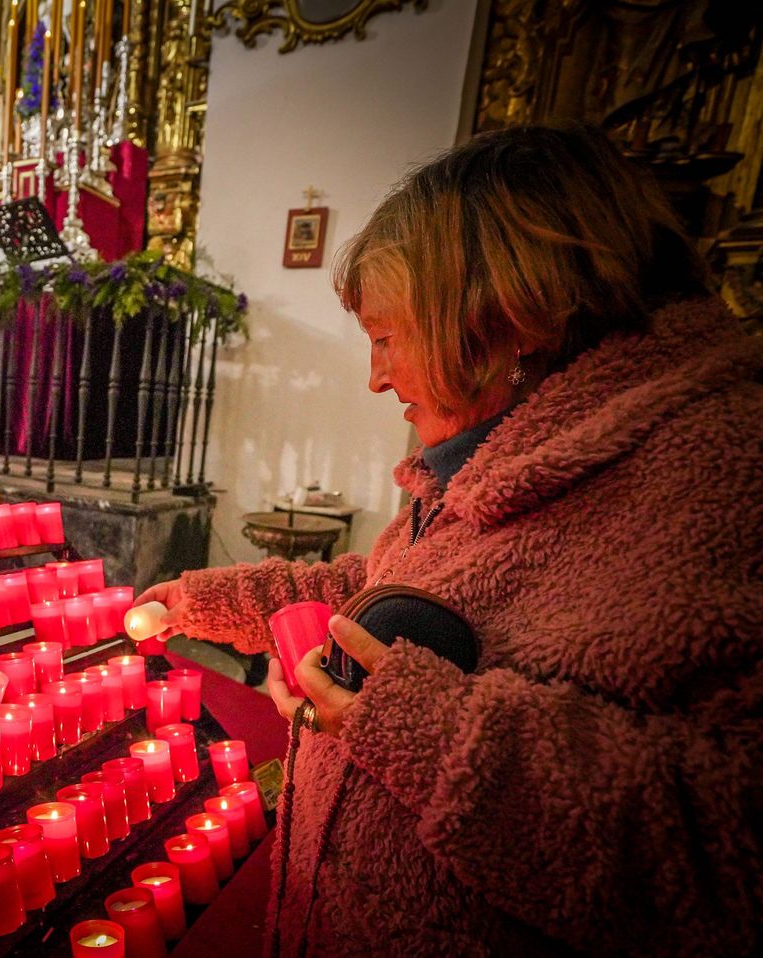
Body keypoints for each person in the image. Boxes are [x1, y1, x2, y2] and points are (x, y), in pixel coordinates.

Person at [137, 124, 763, 956]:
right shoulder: (514, 447)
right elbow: (407, 586)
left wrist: (416, 723)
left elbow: (728, 862)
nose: (376, 376)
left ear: (519, 316)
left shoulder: (722, 475)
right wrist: (209, 601)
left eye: (388, 338)